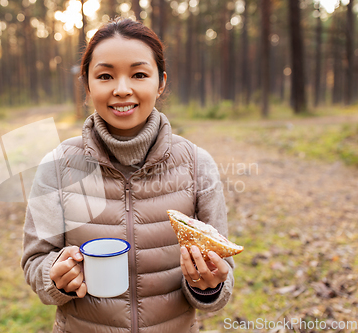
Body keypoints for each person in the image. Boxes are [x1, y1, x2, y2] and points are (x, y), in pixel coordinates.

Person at [21, 18, 235, 333]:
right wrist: (56, 277)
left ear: (160, 83)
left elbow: (223, 275)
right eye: (105, 76)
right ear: (88, 84)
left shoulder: (196, 164)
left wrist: (208, 284)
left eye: (138, 74)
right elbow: (34, 261)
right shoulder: (57, 166)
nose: (122, 89)